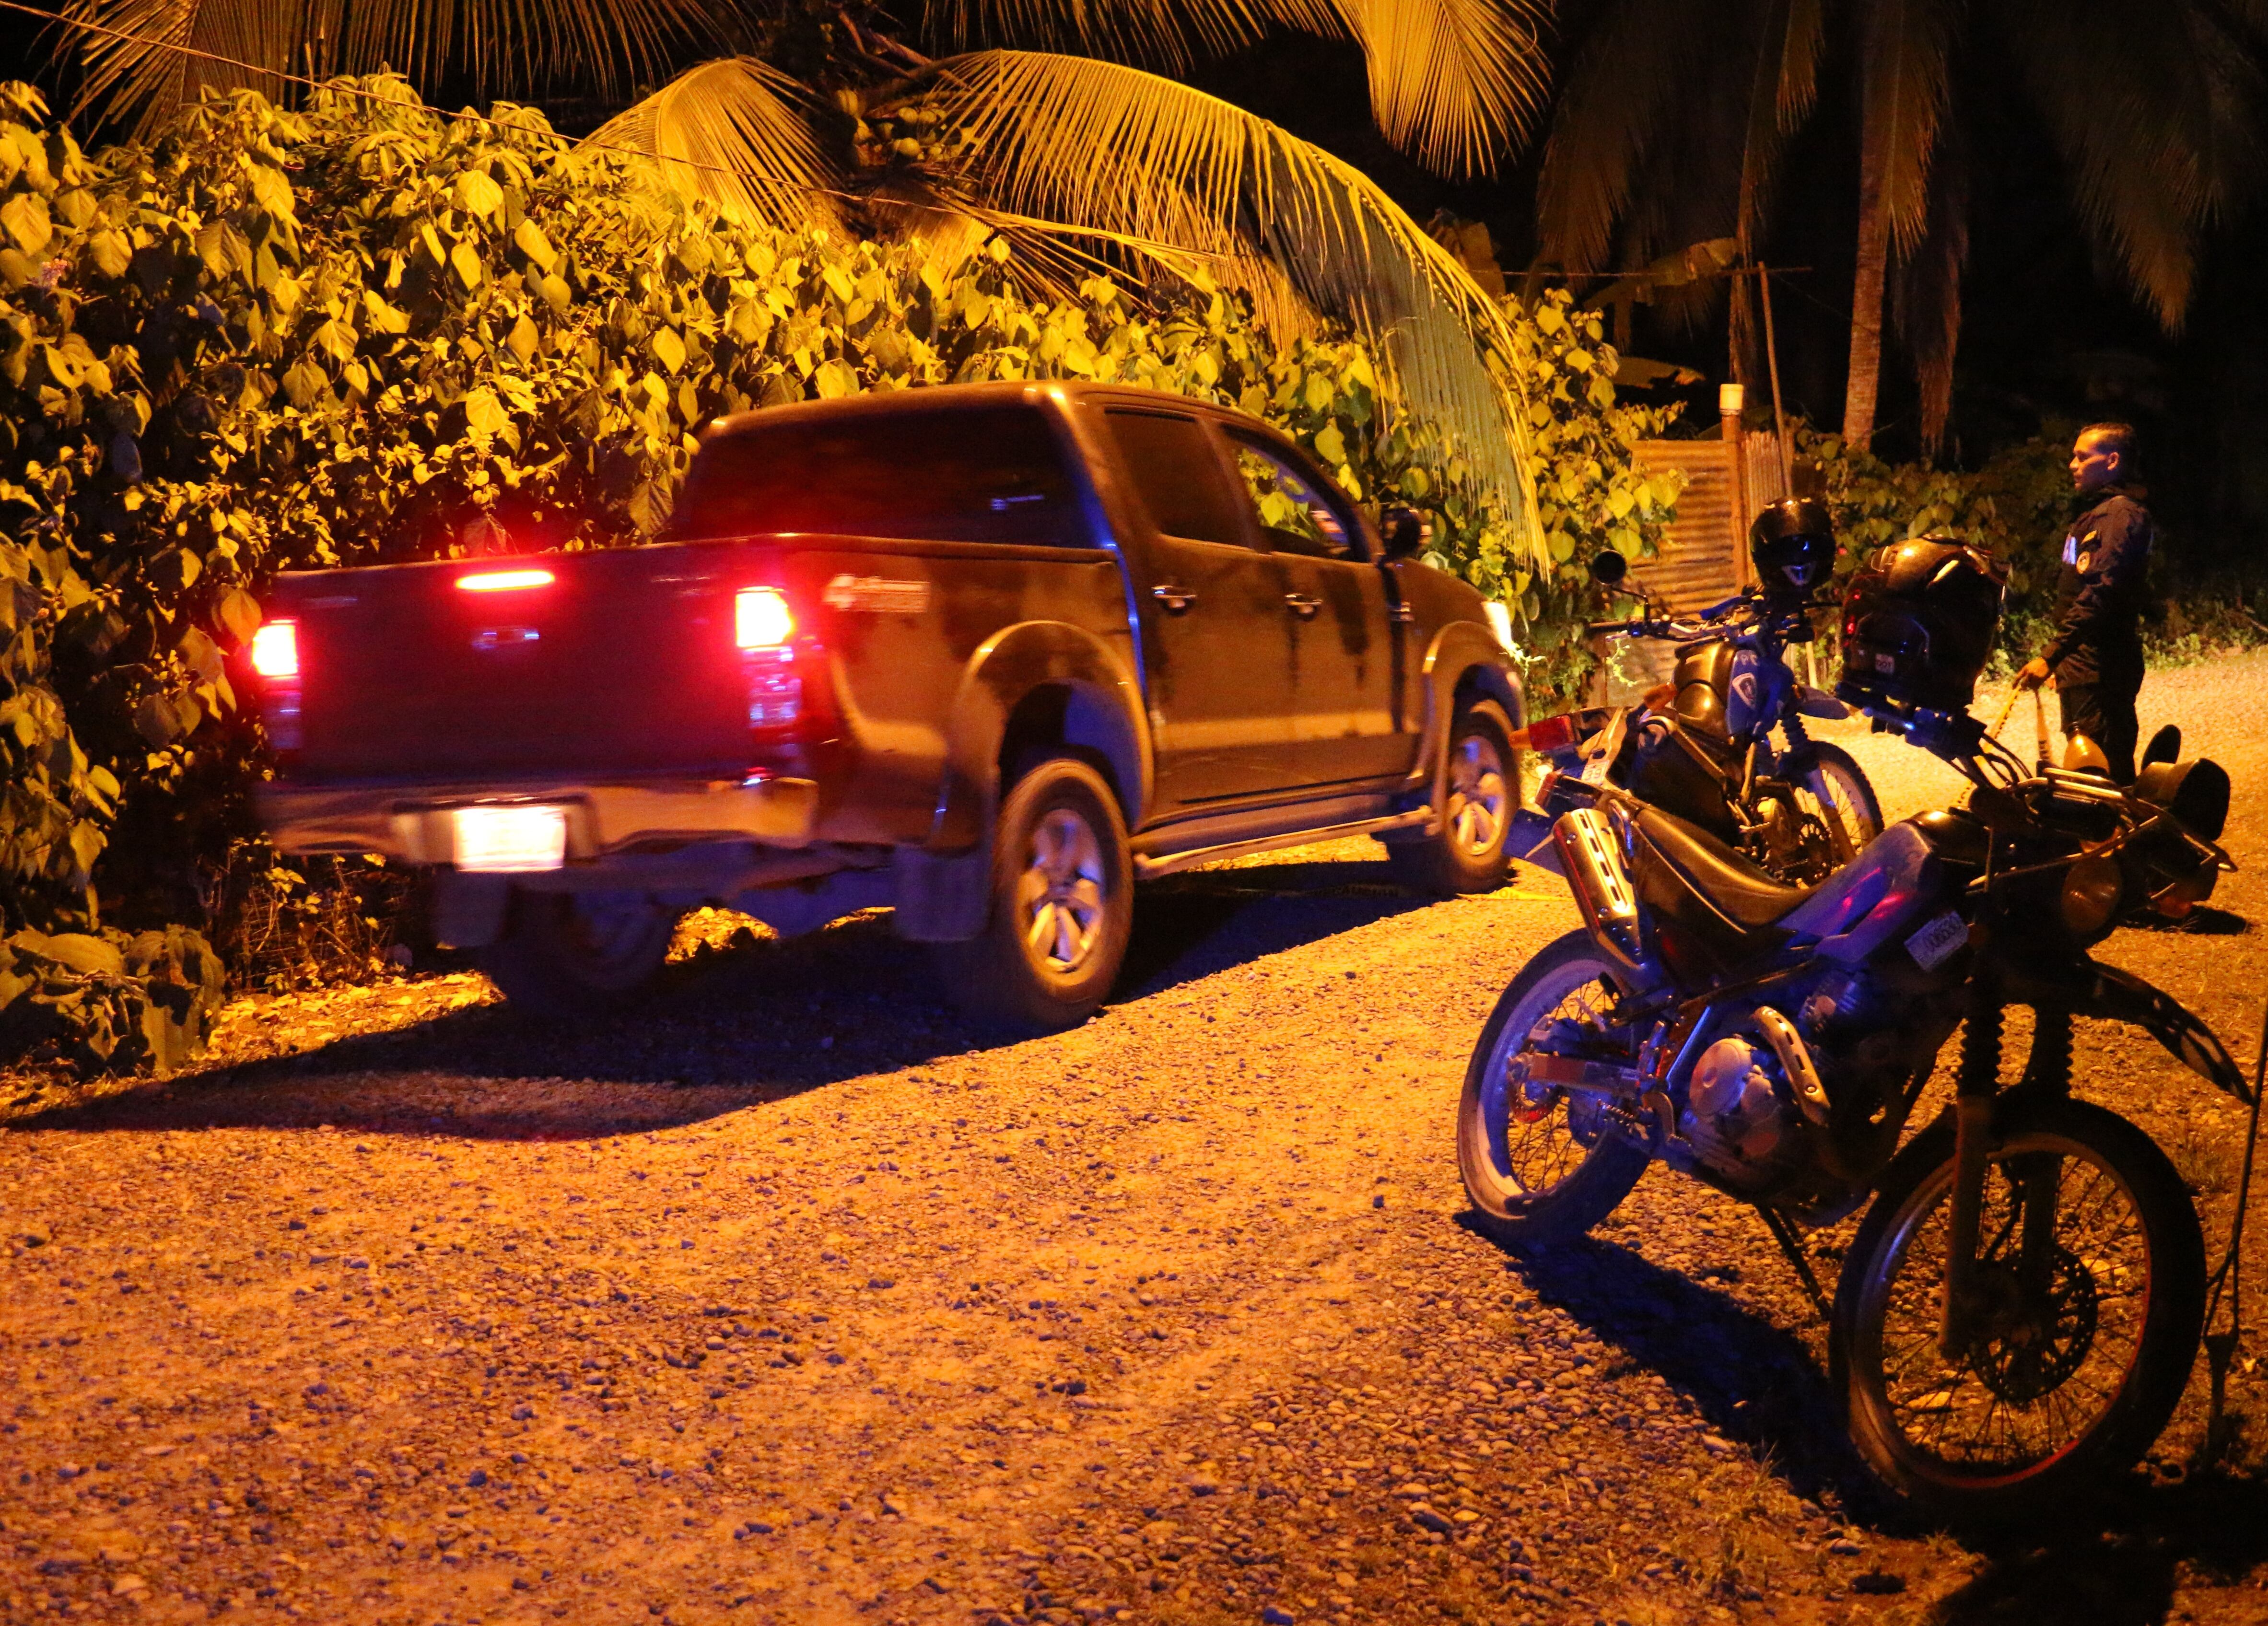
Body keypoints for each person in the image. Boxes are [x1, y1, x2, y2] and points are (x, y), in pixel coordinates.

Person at [2017, 422, 2154, 782]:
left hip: (2101, 668)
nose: (2072, 465)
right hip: (2083, 667)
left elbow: (2101, 592)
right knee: (2090, 770)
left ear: (2112, 461)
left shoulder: (2119, 514)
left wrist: (2051, 658)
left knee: (2103, 776)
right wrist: (2064, 666)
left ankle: (2129, 835)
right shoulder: (2094, 515)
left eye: (2082, 457)